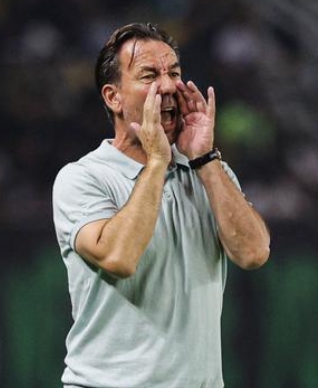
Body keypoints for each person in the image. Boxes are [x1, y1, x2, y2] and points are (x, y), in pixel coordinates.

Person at [52, 22, 271, 388]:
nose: (168, 86)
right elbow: (120, 257)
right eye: (149, 75)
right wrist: (156, 162)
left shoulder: (207, 172)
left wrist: (205, 159)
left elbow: (254, 253)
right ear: (113, 97)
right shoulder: (83, 178)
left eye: (174, 73)